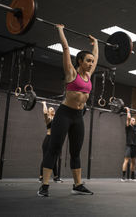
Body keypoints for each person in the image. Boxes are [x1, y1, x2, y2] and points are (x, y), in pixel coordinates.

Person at [38, 24, 98, 197]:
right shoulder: (71, 73)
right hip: (64, 114)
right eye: (88, 61)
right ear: (79, 61)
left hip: (78, 117)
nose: (91, 64)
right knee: (54, 149)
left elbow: (96, 57)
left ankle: (77, 185)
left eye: (92, 62)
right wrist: (60, 30)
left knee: (76, 152)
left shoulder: (88, 75)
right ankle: (45, 186)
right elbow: (65, 48)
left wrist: (96, 44)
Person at [39, 102, 62, 183]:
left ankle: (56, 177)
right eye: (51, 109)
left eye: (53, 109)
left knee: (54, 159)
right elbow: (45, 112)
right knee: (45, 158)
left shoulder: (57, 120)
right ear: (49, 112)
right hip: (48, 140)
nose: (53, 110)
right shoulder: (48, 119)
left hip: (54, 140)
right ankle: (41, 177)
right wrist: (44, 104)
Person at [121, 107, 136, 181]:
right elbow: (128, 117)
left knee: (133, 162)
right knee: (126, 160)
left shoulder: (135, 127)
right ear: (130, 121)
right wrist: (128, 111)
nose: (134, 121)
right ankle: (123, 177)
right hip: (129, 146)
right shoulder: (127, 127)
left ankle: (132, 177)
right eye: (132, 120)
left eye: (134, 120)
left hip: (134, 146)